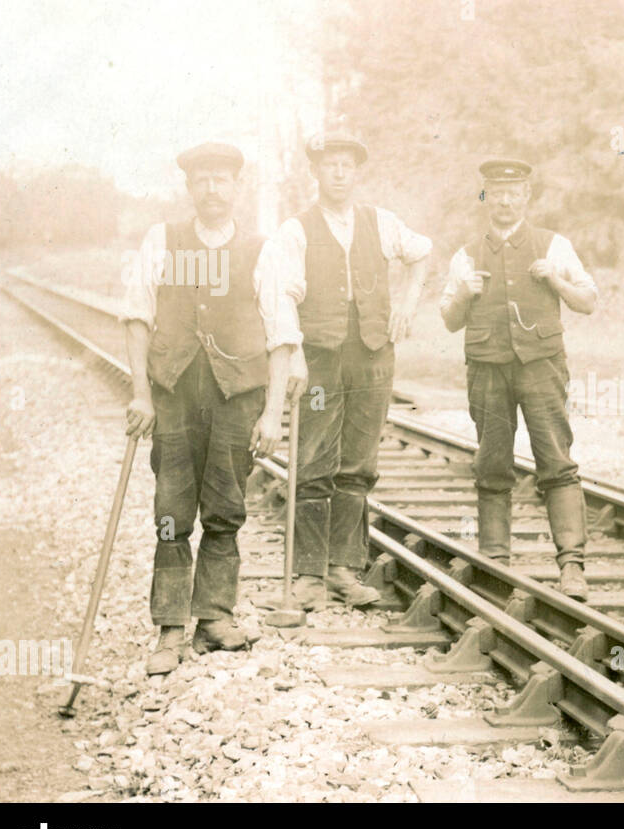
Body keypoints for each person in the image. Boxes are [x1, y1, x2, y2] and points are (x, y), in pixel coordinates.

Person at [122, 141, 302, 675]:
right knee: (172, 512)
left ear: (236, 186)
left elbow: (281, 334)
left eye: (221, 179)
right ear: (189, 187)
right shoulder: (163, 240)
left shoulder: (262, 250)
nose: (212, 189)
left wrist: (272, 413)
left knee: (225, 510)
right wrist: (140, 392)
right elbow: (136, 316)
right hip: (176, 396)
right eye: (202, 179)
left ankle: (214, 620)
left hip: (234, 398)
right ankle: (170, 628)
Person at [269, 132, 432, 610]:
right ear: (315, 172)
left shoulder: (380, 222)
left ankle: (343, 569)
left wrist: (408, 301)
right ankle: (308, 576)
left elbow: (422, 252)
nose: (339, 173)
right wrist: (295, 351)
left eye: (347, 165)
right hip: (320, 356)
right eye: (330, 165)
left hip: (372, 356)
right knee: (314, 458)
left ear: (356, 172)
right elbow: (281, 295)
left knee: (359, 463)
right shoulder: (295, 230)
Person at [438, 159, 597, 599]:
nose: (505, 200)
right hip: (487, 368)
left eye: (514, 192)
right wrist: (466, 295)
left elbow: (588, 301)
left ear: (527, 196)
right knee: (491, 462)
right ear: (485, 197)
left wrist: (556, 282)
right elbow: (449, 320)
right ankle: (494, 564)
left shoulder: (554, 246)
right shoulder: (465, 255)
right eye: (497, 192)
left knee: (557, 461)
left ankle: (572, 568)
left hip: (542, 367)